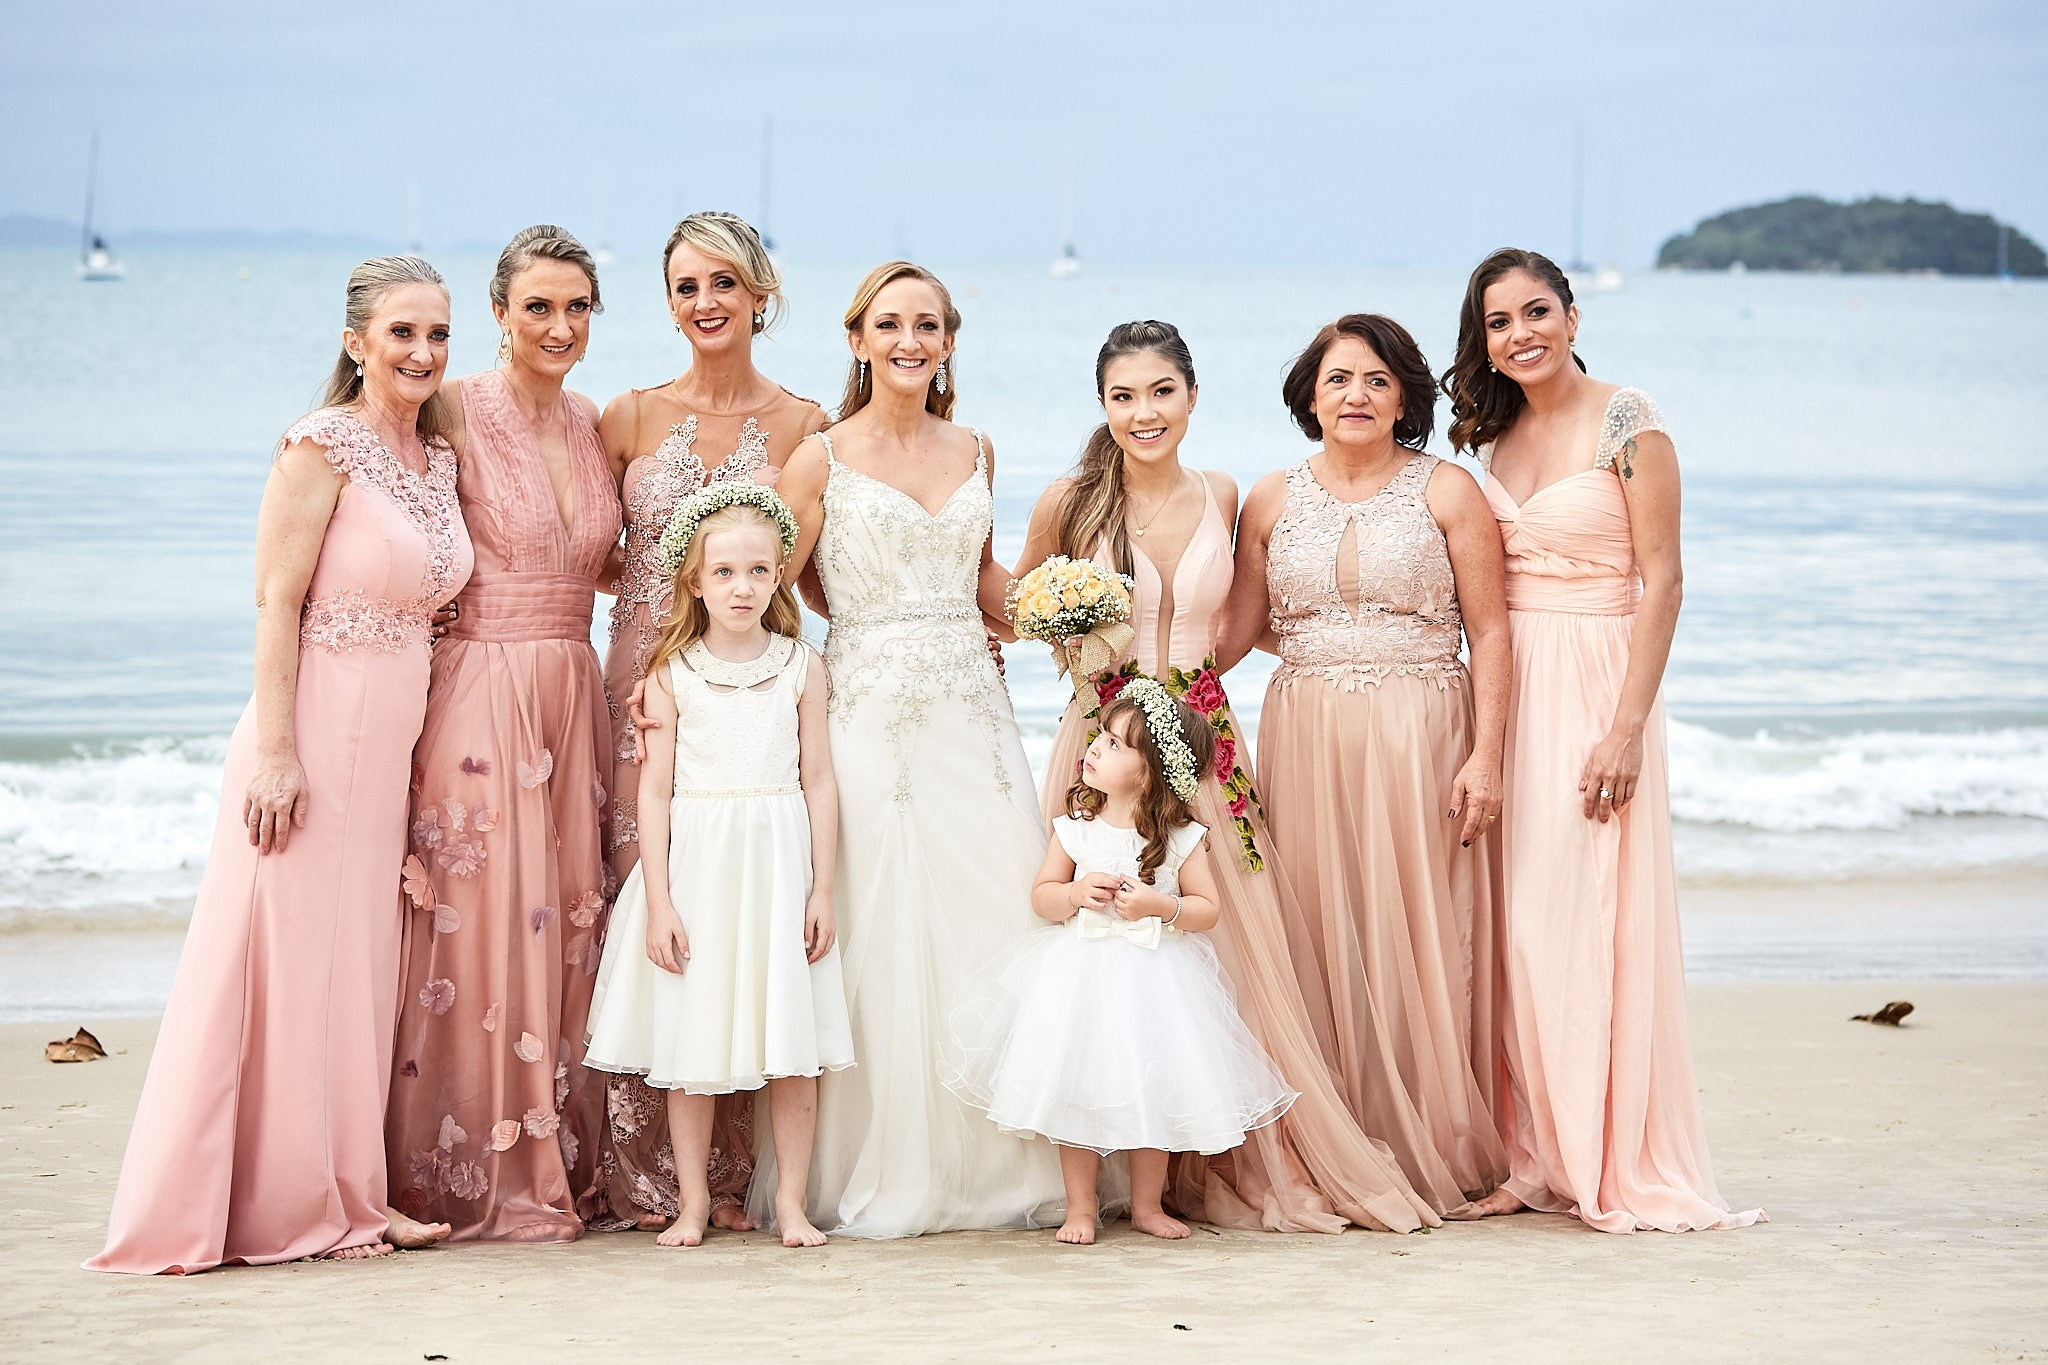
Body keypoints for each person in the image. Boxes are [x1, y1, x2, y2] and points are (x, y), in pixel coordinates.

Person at [87, 257, 470, 1272]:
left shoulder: (436, 460)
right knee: (287, 964)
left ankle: (353, 1191)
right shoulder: (320, 446)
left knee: (356, 973)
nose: (422, 352)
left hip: (389, 742)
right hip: (311, 729)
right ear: (355, 342)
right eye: (401, 333)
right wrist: (273, 753)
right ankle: (281, 1203)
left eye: (436, 334)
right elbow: (275, 601)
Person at [1014, 320, 1434, 1234]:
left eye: (1161, 391)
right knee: (1096, 943)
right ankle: (1098, 1172)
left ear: (1193, 397)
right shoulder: (1067, 503)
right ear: (1103, 406)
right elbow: (1019, 614)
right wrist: (1079, 653)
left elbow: (1248, 619)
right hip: (1102, 747)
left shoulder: (1226, 493)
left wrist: (1359, 660)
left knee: (1224, 943)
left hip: (1204, 743)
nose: (1143, 412)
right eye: (1123, 396)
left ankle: (1212, 1161)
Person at [1445, 248, 1762, 1232]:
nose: (1519, 335)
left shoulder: (1628, 421)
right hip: (1510, 686)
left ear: (1573, 317)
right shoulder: (1490, 445)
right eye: (1498, 323)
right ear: (1483, 343)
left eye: (1535, 311)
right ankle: (1530, 1155)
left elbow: (1662, 581)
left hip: (1593, 685)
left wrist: (1624, 729)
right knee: (1513, 929)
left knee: (1578, 918)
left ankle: (1595, 1156)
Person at [763, 260, 1065, 1237]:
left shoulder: (975, 446)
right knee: (880, 922)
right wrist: (853, 631)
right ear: (856, 339)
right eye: (888, 324)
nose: (908, 340)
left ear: (946, 342)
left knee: (992, 913)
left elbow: (982, 575)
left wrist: (1061, 609)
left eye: (926, 325)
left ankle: (1005, 1164)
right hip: (870, 714)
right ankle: (878, 1161)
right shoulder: (820, 455)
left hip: (971, 713)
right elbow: (783, 581)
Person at [1223, 314, 1510, 1213]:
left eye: (1377, 380)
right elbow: (1236, 630)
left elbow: (1492, 631)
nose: (1357, 395)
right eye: (1339, 378)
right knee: (1316, 925)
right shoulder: (1270, 498)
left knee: (1417, 924)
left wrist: (1488, 756)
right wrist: (1137, 672)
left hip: (1424, 732)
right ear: (1310, 393)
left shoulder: (1449, 491)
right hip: (1304, 733)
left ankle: (1429, 1133)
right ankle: (1334, 1130)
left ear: (1405, 397)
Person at [384, 227, 622, 1242]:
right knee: (481, 924)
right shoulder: (452, 404)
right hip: (481, 689)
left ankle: (562, 1158)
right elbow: (378, 486)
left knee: (570, 921)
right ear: (498, 313)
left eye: (576, 307)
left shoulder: (589, 421)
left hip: (576, 685)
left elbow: (607, 566)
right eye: (538, 307)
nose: (559, 326)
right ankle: (470, 1172)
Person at [598, 211, 825, 1230]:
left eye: (724, 284)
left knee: (752, 922)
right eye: (687, 286)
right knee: (650, 910)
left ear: (759, 296)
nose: (705, 304)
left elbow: (813, 569)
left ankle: (743, 1183)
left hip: (755, 685)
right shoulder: (630, 415)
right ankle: (650, 1177)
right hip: (646, 687)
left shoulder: (804, 422)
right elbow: (586, 549)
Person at [585, 485, 853, 1248]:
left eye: (759, 571)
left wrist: (822, 887)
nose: (743, 587)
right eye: (726, 572)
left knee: (793, 1045)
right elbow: (656, 792)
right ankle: (694, 1203)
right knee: (691, 1043)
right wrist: (661, 900)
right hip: (698, 871)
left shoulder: (803, 666)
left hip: (777, 867)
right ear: (696, 582)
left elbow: (820, 780)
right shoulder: (672, 673)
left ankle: (793, 1205)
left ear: (778, 579)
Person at [943, 683, 1296, 1245]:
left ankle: (1147, 1205)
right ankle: (1080, 1207)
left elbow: (1207, 910)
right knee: (1075, 1086)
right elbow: (1043, 896)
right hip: (1078, 976)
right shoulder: (1075, 826)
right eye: (1101, 738)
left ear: (1149, 771)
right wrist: (1077, 893)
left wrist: (1160, 905)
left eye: (1113, 744)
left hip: (1156, 979)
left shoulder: (1181, 837)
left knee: (1154, 1086)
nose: (1094, 750)